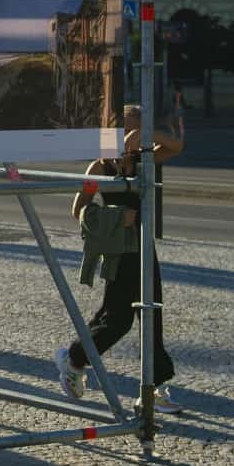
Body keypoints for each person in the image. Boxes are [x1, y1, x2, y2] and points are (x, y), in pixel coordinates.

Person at [55, 109, 186, 414]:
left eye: (135, 132)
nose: (129, 139)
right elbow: (80, 210)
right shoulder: (100, 167)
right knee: (118, 319)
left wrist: (146, 136)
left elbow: (176, 146)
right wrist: (115, 218)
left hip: (143, 246)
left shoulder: (144, 161)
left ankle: (152, 389)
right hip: (118, 250)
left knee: (152, 313)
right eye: (125, 131)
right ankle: (75, 359)